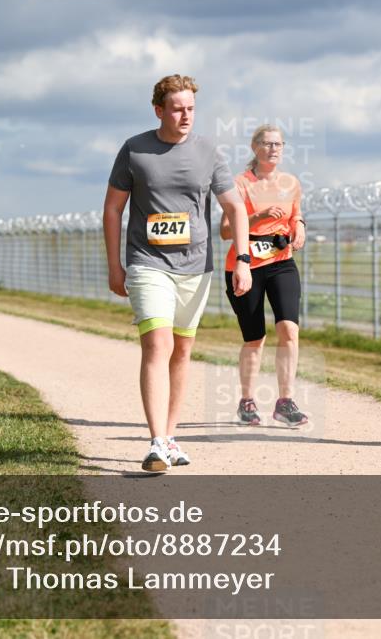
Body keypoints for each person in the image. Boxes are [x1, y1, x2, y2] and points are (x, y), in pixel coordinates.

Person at [104, 74, 252, 472]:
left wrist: (243, 259)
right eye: (177, 108)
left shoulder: (208, 152)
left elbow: (235, 208)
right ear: (159, 111)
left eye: (190, 109)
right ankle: (155, 442)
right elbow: (114, 209)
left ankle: (170, 437)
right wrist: (114, 264)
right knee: (158, 345)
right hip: (147, 263)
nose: (185, 115)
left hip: (196, 267)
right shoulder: (135, 150)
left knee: (182, 352)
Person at [220, 124, 308, 427]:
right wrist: (256, 217)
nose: (274, 149)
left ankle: (285, 401)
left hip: (281, 262)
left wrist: (300, 228)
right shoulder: (240, 184)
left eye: (279, 144)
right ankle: (247, 401)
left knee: (289, 330)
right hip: (245, 267)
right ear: (255, 147)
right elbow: (225, 231)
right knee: (255, 338)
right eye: (268, 144)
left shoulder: (291, 182)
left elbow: (296, 213)